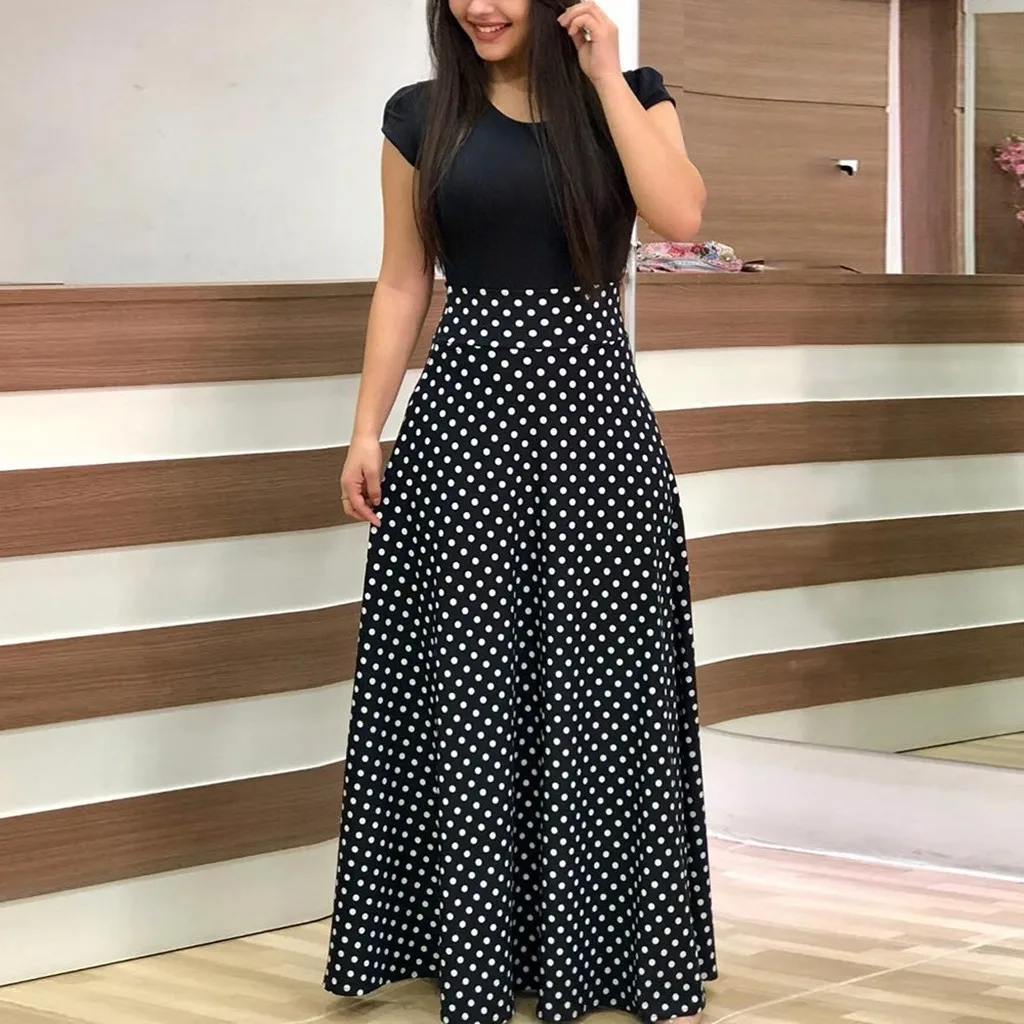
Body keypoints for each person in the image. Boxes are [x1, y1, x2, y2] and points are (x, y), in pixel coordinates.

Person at [323, 2, 716, 1022]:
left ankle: (602, 947)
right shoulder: (420, 115)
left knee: (601, 686)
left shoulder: (631, 97)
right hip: (463, 434)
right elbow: (403, 280)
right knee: (469, 687)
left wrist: (605, 75)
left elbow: (679, 218)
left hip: (596, 437)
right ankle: (473, 947)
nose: (478, 6)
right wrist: (367, 428)